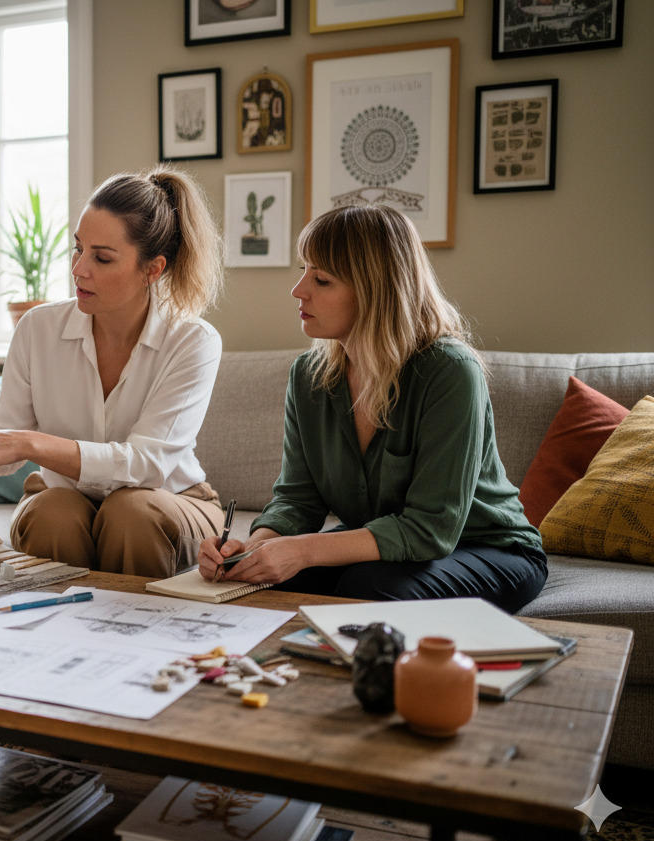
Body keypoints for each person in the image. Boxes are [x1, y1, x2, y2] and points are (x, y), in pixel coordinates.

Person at [199, 204, 547, 613]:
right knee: (261, 583)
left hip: (487, 548)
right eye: (303, 270)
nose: (298, 290)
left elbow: (431, 529)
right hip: (386, 549)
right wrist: (250, 551)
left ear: (375, 291)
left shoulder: (450, 372)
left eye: (321, 279)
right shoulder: (308, 377)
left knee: (367, 588)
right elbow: (298, 500)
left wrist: (304, 551)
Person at [0, 165, 226, 576]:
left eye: (102, 258)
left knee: (130, 511)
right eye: (78, 249)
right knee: (53, 513)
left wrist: (31, 444)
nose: (79, 269)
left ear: (153, 269)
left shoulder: (192, 341)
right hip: (63, 497)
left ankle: (136, 619)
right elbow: (5, 452)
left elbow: (146, 466)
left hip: (168, 499)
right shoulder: (37, 329)